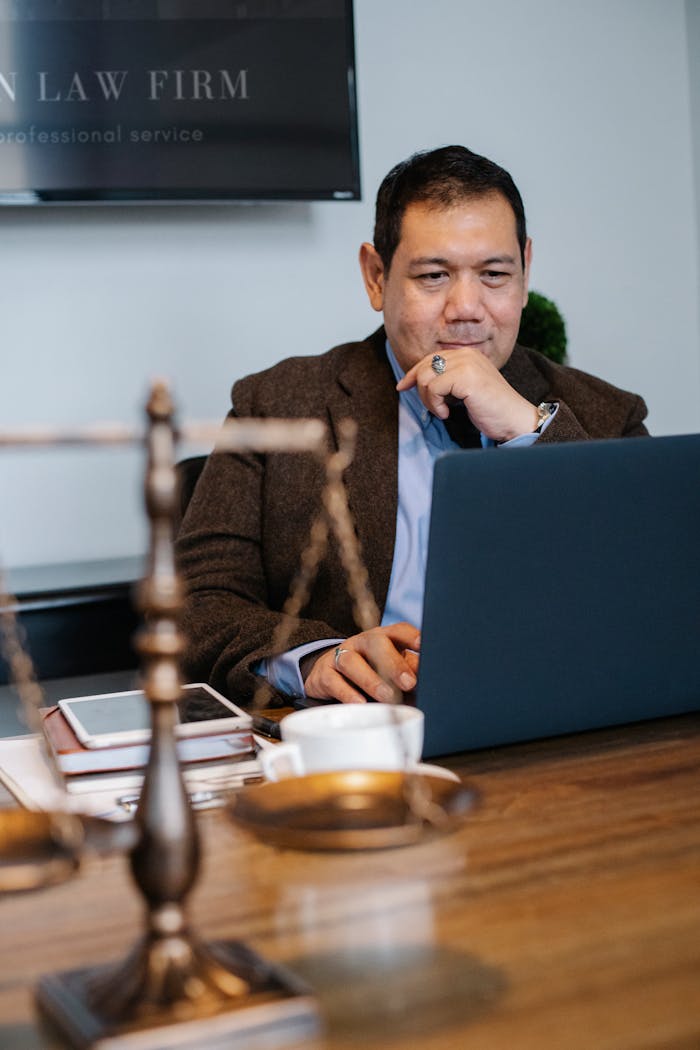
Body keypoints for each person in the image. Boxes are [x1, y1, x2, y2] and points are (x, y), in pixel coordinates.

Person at [176, 144, 648, 707]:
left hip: (551, 729)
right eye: (433, 276)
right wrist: (318, 660)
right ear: (376, 277)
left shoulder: (605, 416)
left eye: (495, 274)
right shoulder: (274, 404)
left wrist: (528, 430)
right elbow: (198, 606)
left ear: (524, 272)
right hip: (363, 739)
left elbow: (650, 599)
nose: (467, 308)